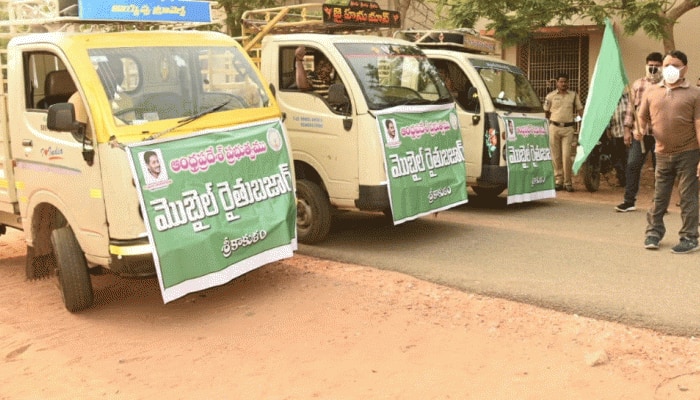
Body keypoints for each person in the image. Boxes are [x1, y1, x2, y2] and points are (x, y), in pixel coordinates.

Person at [638, 50, 700, 253]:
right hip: (662, 153)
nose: (669, 69)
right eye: (666, 65)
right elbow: (642, 117)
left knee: (687, 196)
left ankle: (689, 237)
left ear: (685, 68)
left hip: (688, 152)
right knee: (660, 195)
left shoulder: (695, 94)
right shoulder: (652, 91)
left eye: (675, 65)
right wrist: (640, 129)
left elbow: (699, 125)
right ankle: (653, 233)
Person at [615, 52, 663, 212]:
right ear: (646, 65)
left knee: (661, 169)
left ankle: (659, 203)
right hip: (639, 134)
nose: (653, 68)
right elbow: (630, 109)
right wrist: (627, 130)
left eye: (657, 65)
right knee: (632, 165)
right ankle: (629, 201)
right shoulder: (637, 85)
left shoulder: (666, 85)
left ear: (662, 67)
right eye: (651, 65)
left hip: (660, 135)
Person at [544, 72, 583, 192]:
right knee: (556, 156)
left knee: (566, 156)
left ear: (568, 83)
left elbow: (580, 111)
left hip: (568, 129)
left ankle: (568, 182)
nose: (563, 84)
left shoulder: (573, 95)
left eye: (565, 82)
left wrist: (578, 123)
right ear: (556, 83)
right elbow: (546, 112)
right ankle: (558, 181)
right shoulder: (550, 96)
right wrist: (549, 124)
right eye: (561, 81)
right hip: (554, 127)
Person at [607, 90, 630, 187]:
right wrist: (608, 129)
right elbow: (607, 116)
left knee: (627, 158)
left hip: (627, 134)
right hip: (615, 133)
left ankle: (629, 179)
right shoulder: (609, 101)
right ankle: (621, 179)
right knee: (616, 158)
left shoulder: (628, 98)